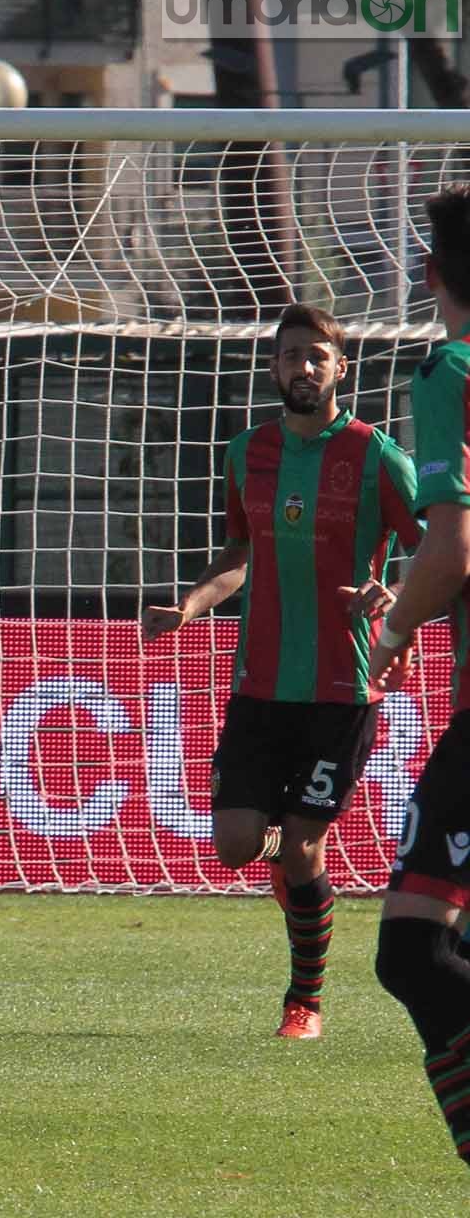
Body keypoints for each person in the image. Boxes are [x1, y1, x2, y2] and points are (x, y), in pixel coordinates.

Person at [144, 301, 421, 1041]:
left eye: (316, 357)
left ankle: (306, 1001)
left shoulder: (376, 456)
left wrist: (391, 595)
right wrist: (191, 607)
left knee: (304, 847)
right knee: (237, 846)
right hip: (259, 684)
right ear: (273, 366)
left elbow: (435, 551)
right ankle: (286, 868)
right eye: (290, 355)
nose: (302, 368)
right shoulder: (247, 453)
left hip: (342, 686)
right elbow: (240, 556)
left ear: (341, 369)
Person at [366, 182, 470, 1172]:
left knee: (414, 950)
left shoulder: (451, 368)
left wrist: (394, 626)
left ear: (432, 273)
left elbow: (452, 552)